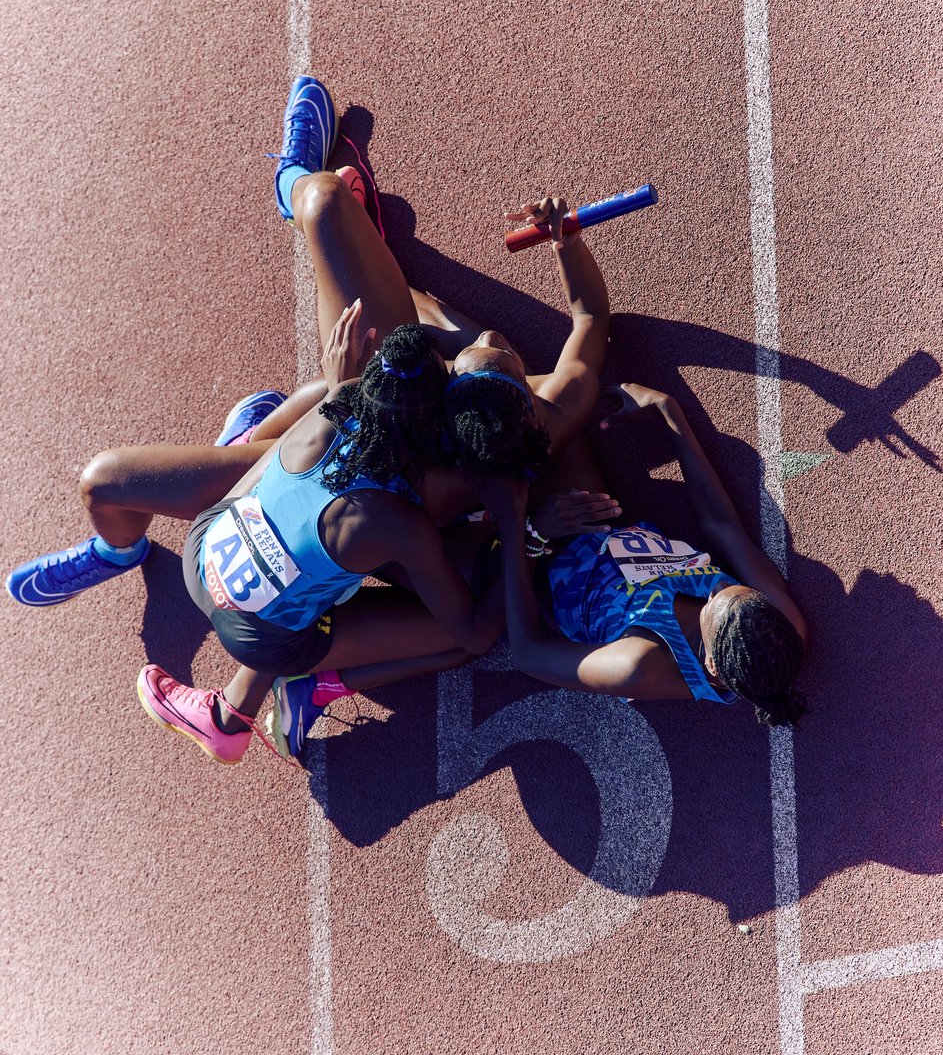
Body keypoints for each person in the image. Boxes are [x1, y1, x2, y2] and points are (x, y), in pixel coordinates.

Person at [7, 74, 620, 762]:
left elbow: (405, 350)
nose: (493, 341)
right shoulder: (490, 455)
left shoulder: (346, 415)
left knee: (110, 481)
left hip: (239, 544)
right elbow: (586, 330)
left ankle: (249, 678)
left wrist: (347, 368)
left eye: (481, 354)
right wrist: (520, 522)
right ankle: (160, 573)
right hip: (285, 558)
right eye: (493, 350)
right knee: (463, 616)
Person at [474, 383, 809, 727]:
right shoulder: (776, 626)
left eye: (712, 601)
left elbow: (530, 652)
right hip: (590, 519)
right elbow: (722, 526)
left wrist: (525, 529)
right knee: (538, 410)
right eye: (730, 588)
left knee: (457, 491)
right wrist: (668, 411)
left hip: (527, 570)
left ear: (710, 663)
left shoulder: (642, 665)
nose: (714, 588)